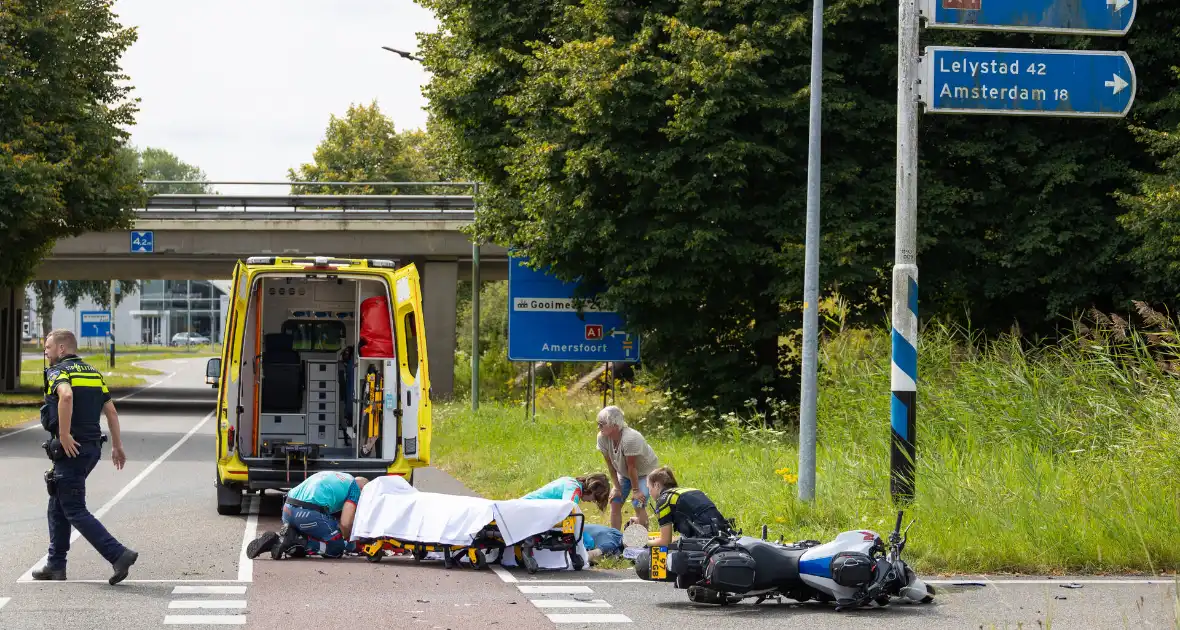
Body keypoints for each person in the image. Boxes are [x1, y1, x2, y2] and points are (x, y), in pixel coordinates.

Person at [31, 329, 139, 584]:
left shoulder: (59, 371)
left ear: (60, 348)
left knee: (74, 508)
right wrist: (117, 446)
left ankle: (118, 554)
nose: (45, 352)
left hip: (72, 449)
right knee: (58, 503)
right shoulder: (93, 372)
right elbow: (111, 411)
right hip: (91, 448)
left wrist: (65, 434)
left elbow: (65, 396)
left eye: (48, 347)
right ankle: (55, 565)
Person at [246, 471, 369, 560]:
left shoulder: (339, 477)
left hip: (287, 510)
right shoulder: (355, 489)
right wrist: (349, 543)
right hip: (306, 514)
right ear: (363, 489)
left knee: (313, 537)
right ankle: (295, 540)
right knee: (336, 548)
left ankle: (279, 542)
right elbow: (346, 524)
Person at [520, 474, 622, 563]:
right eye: (594, 499)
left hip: (528, 507)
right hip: (531, 511)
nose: (592, 501)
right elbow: (567, 510)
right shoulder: (573, 489)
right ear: (592, 489)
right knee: (575, 527)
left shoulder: (570, 482)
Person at [595, 406, 660, 530]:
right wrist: (616, 487)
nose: (599, 427)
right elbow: (610, 465)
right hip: (624, 473)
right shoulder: (602, 437)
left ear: (614, 425)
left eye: (602, 424)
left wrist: (636, 491)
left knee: (638, 503)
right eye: (598, 424)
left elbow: (632, 467)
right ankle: (614, 538)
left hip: (645, 473)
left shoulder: (630, 438)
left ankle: (642, 542)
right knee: (615, 501)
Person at [645, 466, 733, 548]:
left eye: (649, 488)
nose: (649, 493)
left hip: (705, 539)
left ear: (657, 486)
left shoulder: (664, 500)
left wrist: (644, 542)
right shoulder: (688, 490)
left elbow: (665, 541)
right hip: (722, 532)